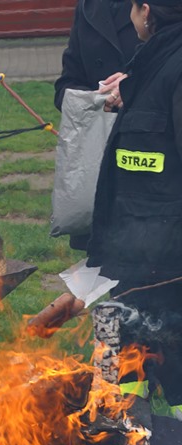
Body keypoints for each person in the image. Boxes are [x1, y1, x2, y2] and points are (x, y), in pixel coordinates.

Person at [86, 0, 182, 418]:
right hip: (133, 249)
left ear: (146, 11)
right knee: (118, 360)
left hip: (163, 257)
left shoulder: (174, 65)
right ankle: (121, 439)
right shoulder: (155, 62)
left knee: (172, 351)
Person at [55, 0, 142, 112]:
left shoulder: (161, 7)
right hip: (99, 124)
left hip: (146, 121)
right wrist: (93, 99)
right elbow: (67, 85)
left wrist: (131, 85)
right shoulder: (87, 6)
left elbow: (168, 68)